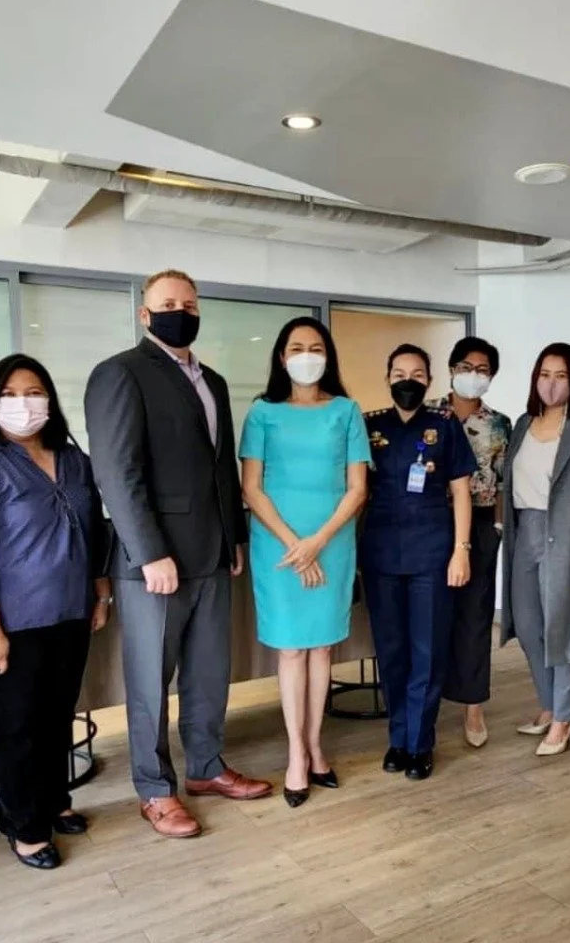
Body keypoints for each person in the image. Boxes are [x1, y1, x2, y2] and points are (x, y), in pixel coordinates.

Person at [85, 268, 271, 839]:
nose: (180, 311)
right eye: (167, 303)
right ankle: (155, 788)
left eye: (188, 303)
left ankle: (207, 768)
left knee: (210, 674)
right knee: (148, 682)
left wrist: (234, 537)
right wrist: (148, 554)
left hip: (213, 555)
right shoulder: (120, 373)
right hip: (156, 564)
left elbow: (221, 469)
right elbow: (117, 472)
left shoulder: (211, 380)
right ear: (145, 314)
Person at [0, 354, 111, 869]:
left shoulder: (72, 457)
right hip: (12, 622)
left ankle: (53, 800)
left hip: (71, 610)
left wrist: (100, 594)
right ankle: (24, 826)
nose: (24, 404)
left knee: (56, 715)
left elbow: (94, 529)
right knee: (16, 724)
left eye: (34, 392)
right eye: (11, 394)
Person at [239, 318, 368, 807]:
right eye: (296, 347)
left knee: (322, 650)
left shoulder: (347, 410)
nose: (307, 355)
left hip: (332, 541)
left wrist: (318, 541)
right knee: (291, 649)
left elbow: (357, 488)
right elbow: (252, 487)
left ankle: (316, 746)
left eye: (316, 347)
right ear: (281, 357)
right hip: (278, 546)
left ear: (328, 356)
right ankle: (296, 753)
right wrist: (297, 544)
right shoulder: (263, 413)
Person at [359, 344, 475, 782]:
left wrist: (460, 551)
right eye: (399, 372)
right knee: (391, 650)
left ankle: (421, 743)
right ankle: (397, 739)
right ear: (388, 377)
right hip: (382, 552)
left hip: (432, 552)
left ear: (429, 380)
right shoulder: (370, 427)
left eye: (417, 373)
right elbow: (357, 493)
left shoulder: (444, 425)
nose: (408, 379)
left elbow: (462, 490)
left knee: (427, 651)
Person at [500, 343, 570, 757]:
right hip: (522, 535)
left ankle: (564, 717)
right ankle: (549, 704)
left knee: (563, 630)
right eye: (544, 374)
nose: (551, 383)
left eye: (560, 375)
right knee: (528, 627)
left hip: (564, 538)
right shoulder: (523, 424)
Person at [429, 338, 512, 748]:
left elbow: (501, 486)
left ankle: (473, 706)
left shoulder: (500, 424)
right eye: (466, 366)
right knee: (430, 612)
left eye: (482, 369)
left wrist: (495, 529)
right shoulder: (426, 413)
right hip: (430, 522)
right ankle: (423, 702)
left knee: (475, 616)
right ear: (450, 368)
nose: (473, 375)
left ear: (492, 376)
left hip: (478, 525)